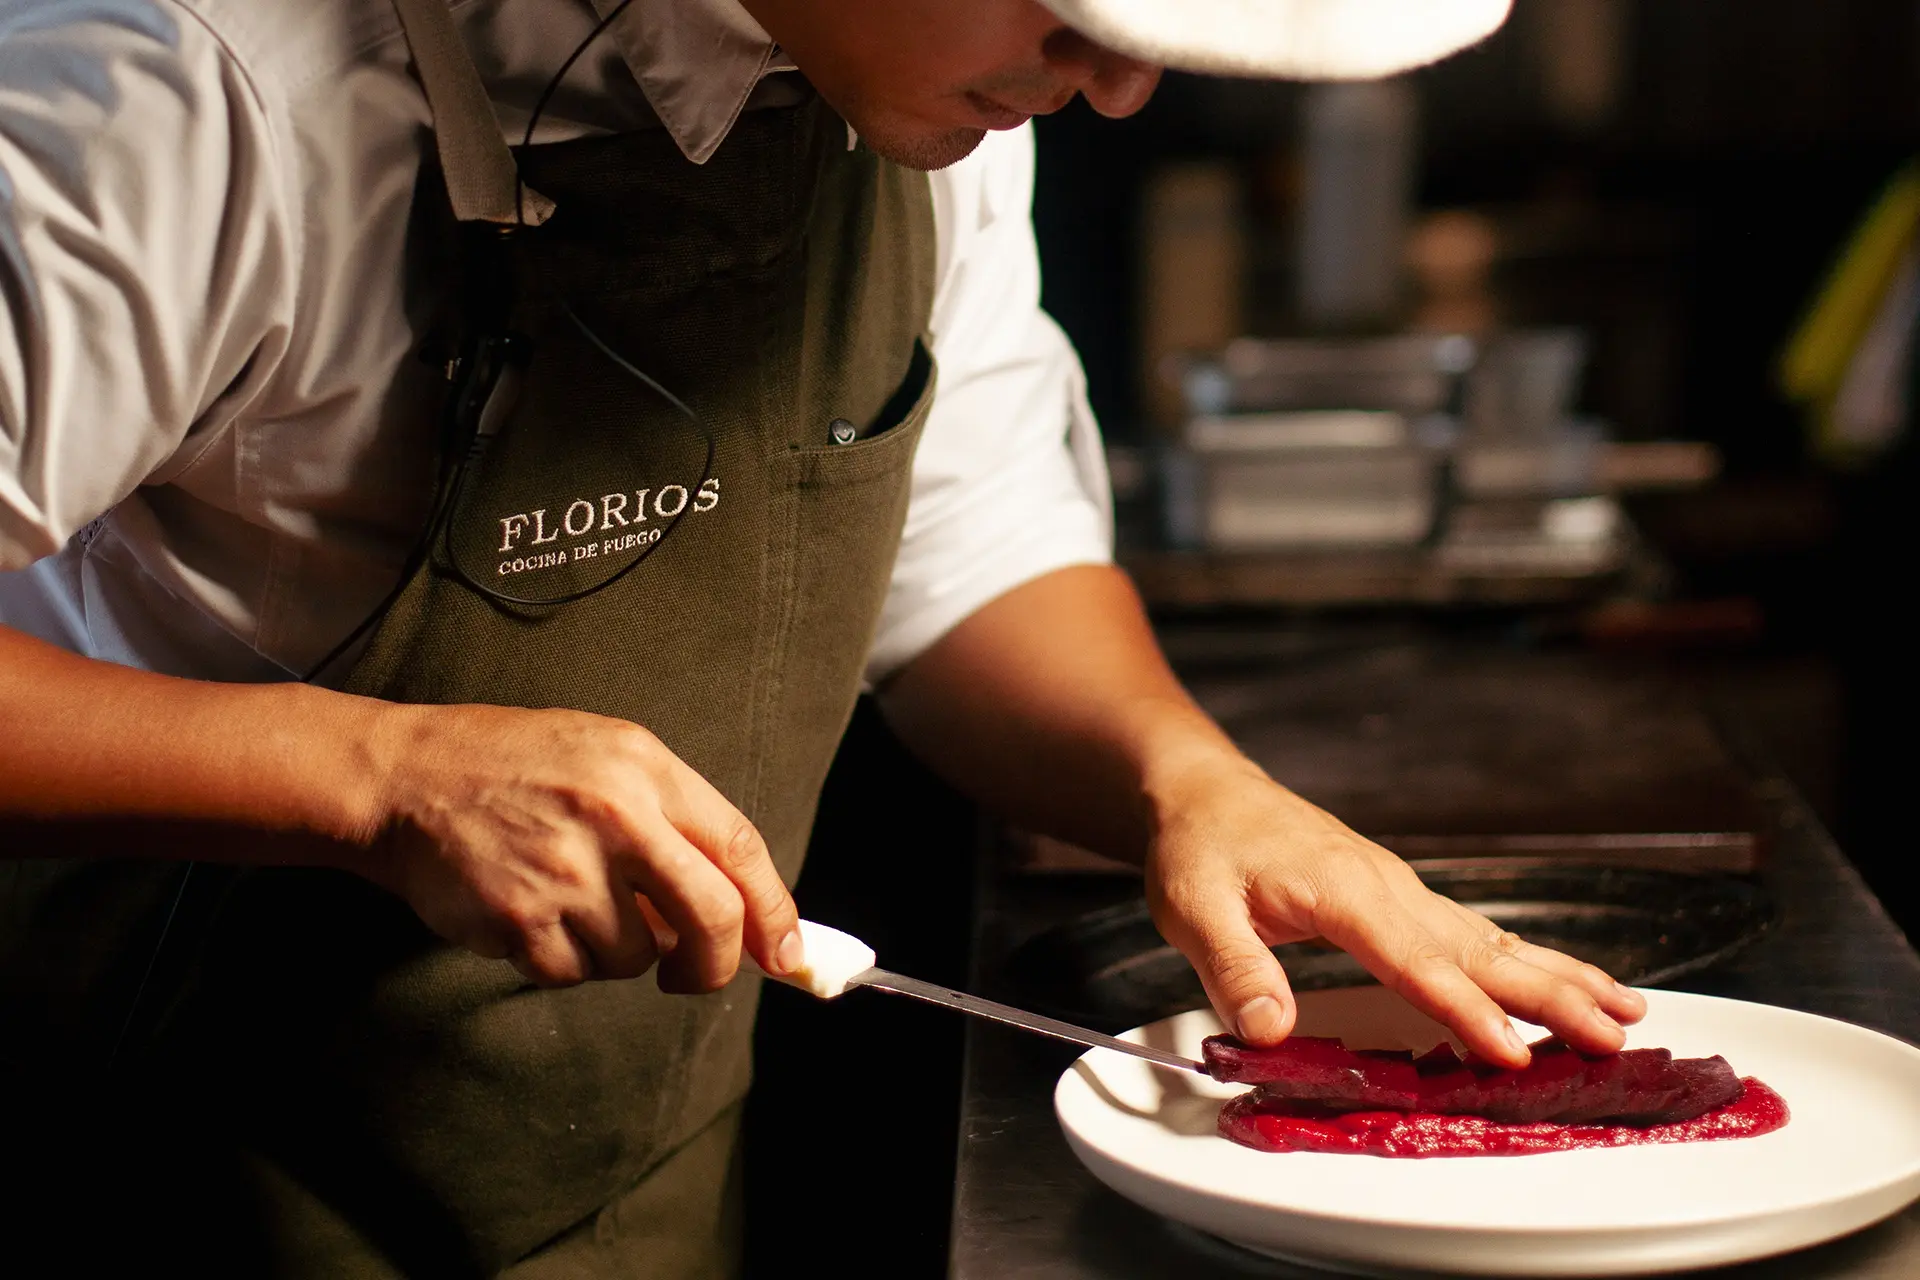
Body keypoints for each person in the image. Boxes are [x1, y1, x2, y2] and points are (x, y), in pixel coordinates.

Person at [0, 0, 1643, 1273]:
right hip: (143, 1189)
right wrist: (376, 773)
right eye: (1075, 10)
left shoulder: (934, 92)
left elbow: (970, 541)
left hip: (626, 1203)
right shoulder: (188, 93)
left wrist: (1184, 783)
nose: (1121, 82)